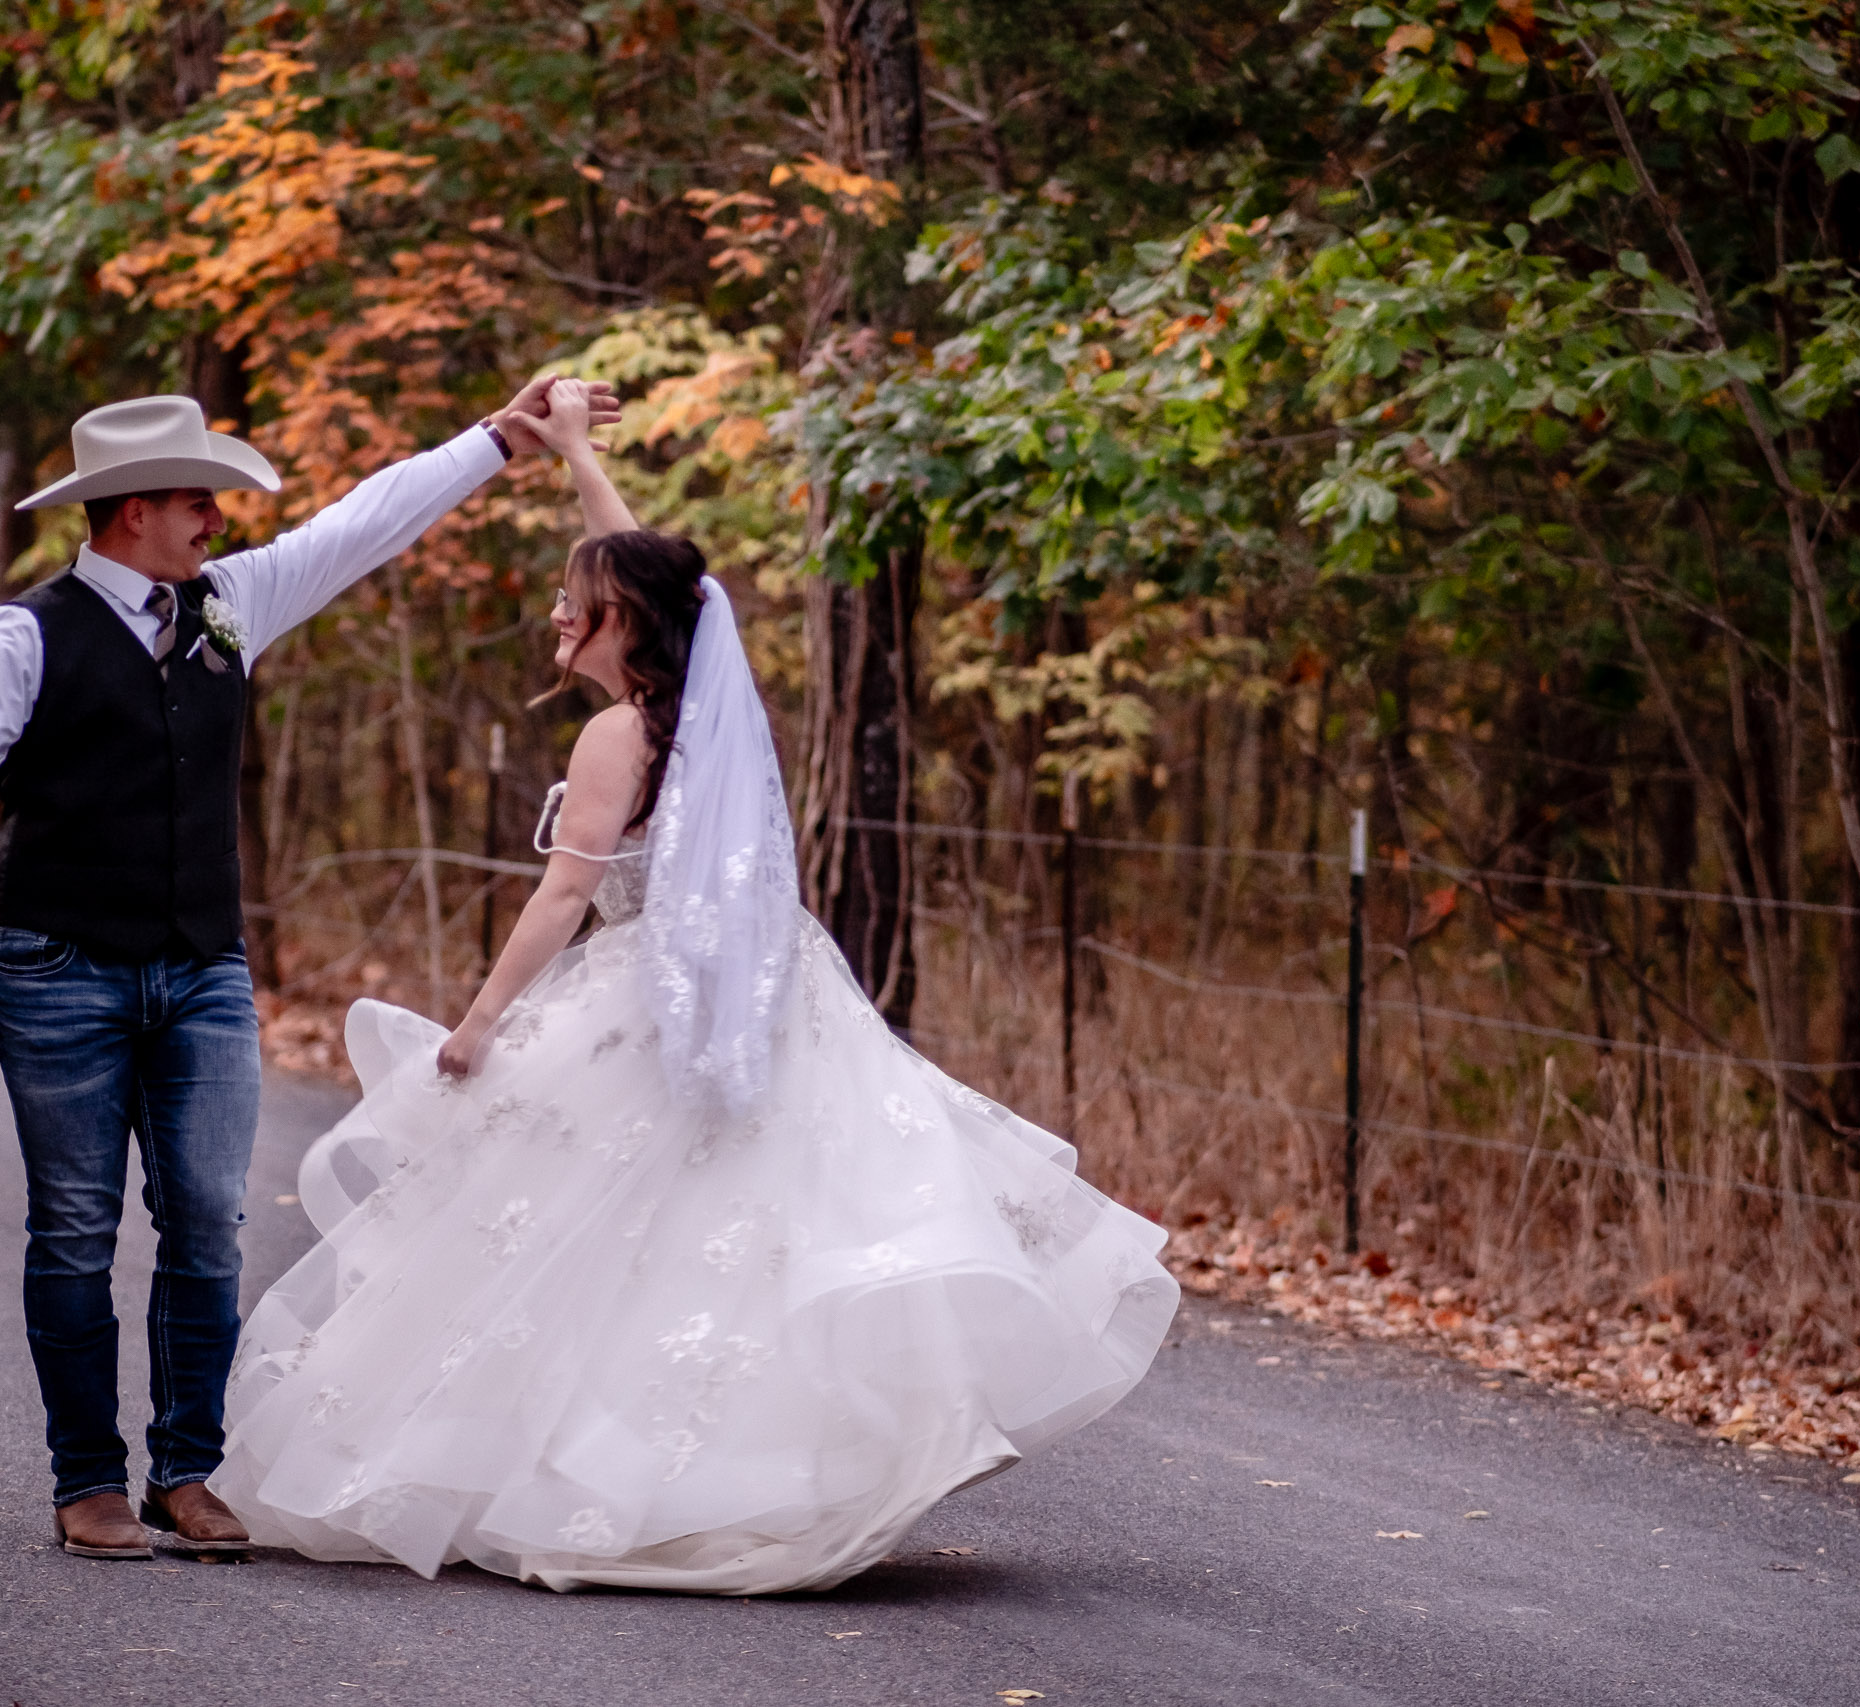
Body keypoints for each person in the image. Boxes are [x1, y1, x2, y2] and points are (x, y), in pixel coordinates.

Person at [210, 380, 1181, 1594]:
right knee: (724, 1240)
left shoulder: (616, 737)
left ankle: (609, 1477)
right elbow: (670, 582)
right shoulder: (705, 706)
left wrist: (478, 1022)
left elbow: (563, 899)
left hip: (643, 991)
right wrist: (569, 454)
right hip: (763, 987)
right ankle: (715, 1472)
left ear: (622, 621)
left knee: (614, 1244)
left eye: (575, 606)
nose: (558, 618)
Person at [0, 379, 620, 1562]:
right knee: (72, 1228)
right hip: (59, 967)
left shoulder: (229, 603)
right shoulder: (30, 633)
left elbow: (357, 528)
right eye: (195, 502)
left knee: (208, 1220)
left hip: (203, 969)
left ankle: (187, 1471)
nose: (217, 518)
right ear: (126, 515)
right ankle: (86, 1483)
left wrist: (493, 442)